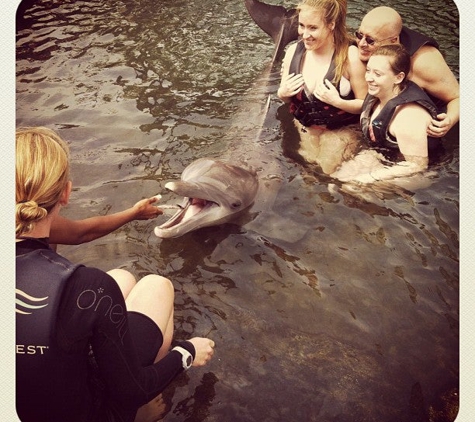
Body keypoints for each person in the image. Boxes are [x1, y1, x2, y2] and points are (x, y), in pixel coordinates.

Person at [15, 127, 215, 422]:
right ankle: (139, 413)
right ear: (66, 193)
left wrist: (133, 213)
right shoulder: (90, 288)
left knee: (122, 280)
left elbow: (83, 232)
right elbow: (130, 389)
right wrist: (187, 352)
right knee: (155, 286)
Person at [277, 0, 367, 174]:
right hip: (307, 127)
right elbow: (285, 97)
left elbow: (367, 105)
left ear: (331, 25)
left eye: (313, 28)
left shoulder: (350, 57)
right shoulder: (293, 53)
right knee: (308, 170)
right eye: (302, 26)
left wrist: (339, 102)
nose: (304, 34)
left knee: (326, 171)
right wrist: (283, 93)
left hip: (342, 130)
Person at [331, 44, 438, 184]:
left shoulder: (409, 117)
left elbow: (417, 166)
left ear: (398, 78)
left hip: (421, 173)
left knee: (352, 188)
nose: (369, 78)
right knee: (337, 180)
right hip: (383, 155)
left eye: (377, 74)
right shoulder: (378, 95)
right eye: (368, 70)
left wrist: (370, 178)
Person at [354, 6, 459, 138]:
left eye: (370, 41)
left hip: (425, 124)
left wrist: (449, 121)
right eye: (359, 35)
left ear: (393, 41)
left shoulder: (423, 61)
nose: (361, 44)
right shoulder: (363, 44)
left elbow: (459, 97)